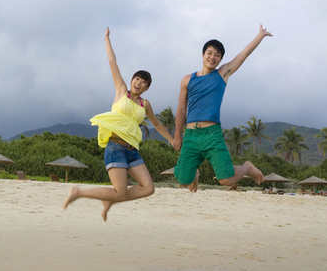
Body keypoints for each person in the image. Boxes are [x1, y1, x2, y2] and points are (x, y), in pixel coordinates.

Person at [64, 27, 175, 221]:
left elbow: (157, 125)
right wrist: (106, 38)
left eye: (143, 82)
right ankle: (79, 193)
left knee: (148, 188)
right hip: (115, 147)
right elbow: (112, 61)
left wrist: (172, 140)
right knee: (120, 192)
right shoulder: (121, 90)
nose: (138, 83)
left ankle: (110, 200)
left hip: (133, 150)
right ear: (132, 80)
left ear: (147, 87)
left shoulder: (145, 104)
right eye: (137, 79)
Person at [172, 25, 273, 191]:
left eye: (217, 55)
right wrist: (177, 136)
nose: (213, 57)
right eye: (210, 53)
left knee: (226, 180)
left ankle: (247, 167)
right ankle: (194, 173)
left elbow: (244, 53)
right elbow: (181, 110)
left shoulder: (222, 73)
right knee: (183, 180)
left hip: (212, 134)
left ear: (220, 59)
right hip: (190, 135)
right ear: (203, 55)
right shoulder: (186, 80)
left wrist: (260, 36)